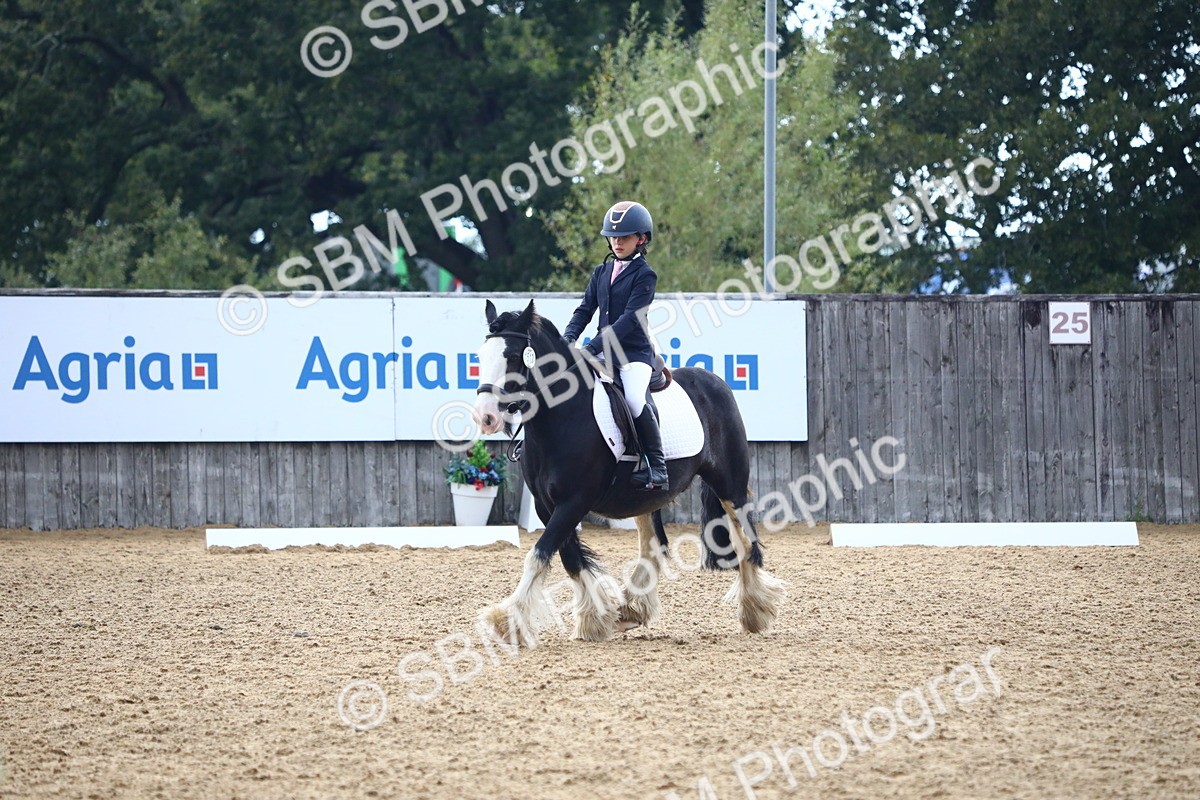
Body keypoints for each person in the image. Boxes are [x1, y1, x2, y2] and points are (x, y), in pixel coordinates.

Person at [562, 200, 669, 491]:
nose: (617, 242)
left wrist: (592, 346)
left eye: (624, 237)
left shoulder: (645, 275)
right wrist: (568, 338)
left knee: (634, 398)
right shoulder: (601, 272)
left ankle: (656, 467)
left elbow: (628, 322)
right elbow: (585, 310)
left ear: (641, 238)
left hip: (633, 353)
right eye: (613, 236)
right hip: (603, 352)